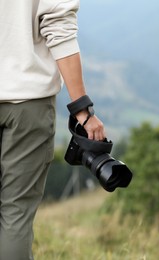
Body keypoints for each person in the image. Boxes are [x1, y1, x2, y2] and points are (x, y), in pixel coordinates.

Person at [0, 0, 105, 259]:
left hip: (27, 103)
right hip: (27, 101)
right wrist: (82, 108)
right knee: (16, 213)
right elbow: (59, 26)